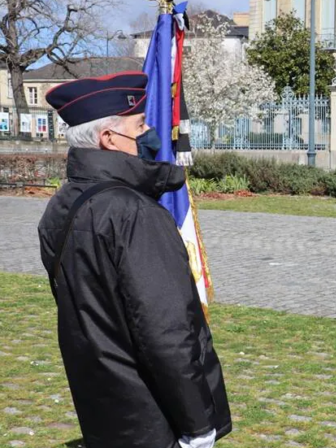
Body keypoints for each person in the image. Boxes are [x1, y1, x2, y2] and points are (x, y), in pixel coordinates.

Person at [37, 71, 231, 448]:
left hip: (102, 400)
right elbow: (166, 332)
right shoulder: (134, 212)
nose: (149, 133)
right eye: (140, 124)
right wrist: (197, 425)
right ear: (109, 138)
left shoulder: (61, 204)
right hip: (153, 414)